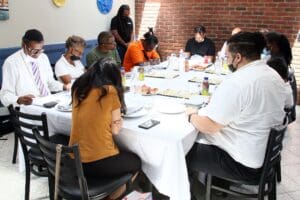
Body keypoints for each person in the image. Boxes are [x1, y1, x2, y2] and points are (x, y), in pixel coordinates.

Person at [186, 32, 293, 184]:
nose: (227, 60)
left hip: (244, 165)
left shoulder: (238, 81)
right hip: (265, 156)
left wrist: (191, 115)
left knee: (181, 148)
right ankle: (218, 184)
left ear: (238, 57)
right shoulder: (272, 74)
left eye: (228, 57)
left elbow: (210, 126)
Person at [69, 57, 141, 199]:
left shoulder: (79, 88)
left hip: (75, 160)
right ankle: (111, 197)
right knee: (136, 162)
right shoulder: (110, 91)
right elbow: (115, 130)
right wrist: (119, 119)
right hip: (98, 162)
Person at [0, 29, 70, 106]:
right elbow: (5, 94)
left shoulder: (43, 58)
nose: (38, 54)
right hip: (28, 107)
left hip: (49, 101)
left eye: (40, 50)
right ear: (24, 45)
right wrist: (18, 99)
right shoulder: (11, 63)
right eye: (34, 50)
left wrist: (64, 86)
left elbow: (50, 83)